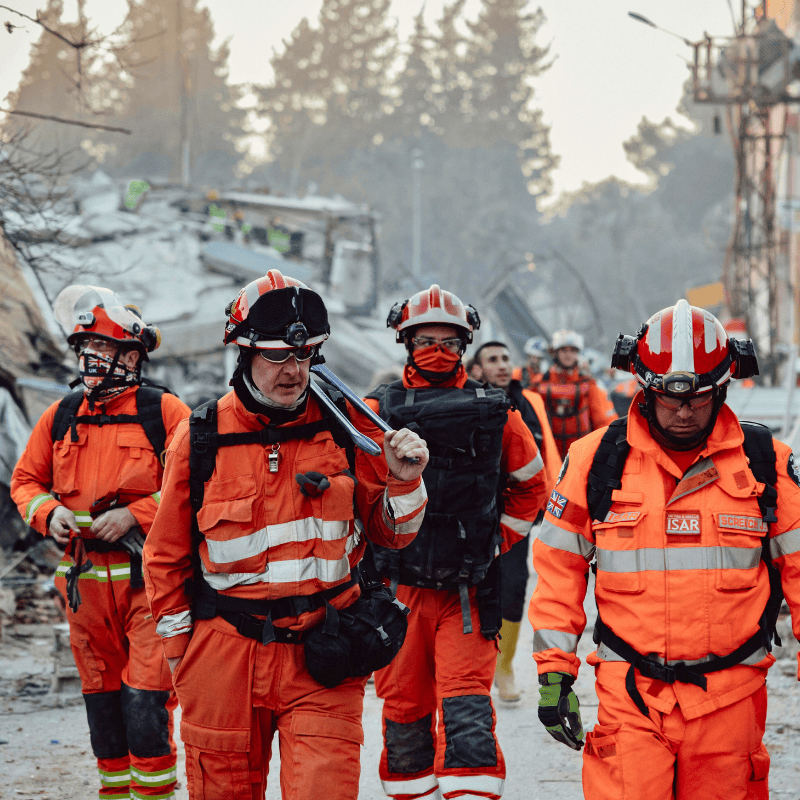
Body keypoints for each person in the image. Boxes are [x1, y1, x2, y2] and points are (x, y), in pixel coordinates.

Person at [142, 269, 429, 800]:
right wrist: (182, 656)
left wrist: (406, 484)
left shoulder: (349, 429)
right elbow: (165, 557)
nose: (292, 371)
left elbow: (392, 537)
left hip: (327, 650)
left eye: (303, 356)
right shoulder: (200, 437)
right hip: (222, 658)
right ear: (244, 354)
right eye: (276, 356)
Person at [528, 299, 800, 799]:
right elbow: (558, 570)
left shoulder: (767, 465)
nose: (683, 411)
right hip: (630, 696)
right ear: (642, 386)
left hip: (732, 699)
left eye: (699, 398)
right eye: (669, 398)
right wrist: (553, 672)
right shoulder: (596, 461)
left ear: (722, 389)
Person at [366, 285, 548, 800]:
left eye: (449, 342)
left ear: (466, 344)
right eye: (425, 339)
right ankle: (411, 791)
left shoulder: (497, 411)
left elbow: (533, 485)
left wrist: (496, 543)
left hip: (467, 593)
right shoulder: (378, 409)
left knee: (467, 706)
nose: (438, 351)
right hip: (398, 589)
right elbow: (353, 488)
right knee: (403, 710)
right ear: (405, 340)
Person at [11, 285, 190, 800]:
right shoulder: (62, 415)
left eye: (104, 350)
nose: (91, 360)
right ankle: (114, 793)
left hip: (148, 587)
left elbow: (199, 489)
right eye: (86, 350)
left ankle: (153, 794)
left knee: (146, 701)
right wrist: (49, 513)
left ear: (132, 357)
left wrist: (135, 514)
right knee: (104, 707)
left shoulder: (166, 413)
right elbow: (25, 482)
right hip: (85, 590)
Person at [471, 340, 561, 704]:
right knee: (473, 590)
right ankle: (476, 663)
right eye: (493, 359)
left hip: (515, 513)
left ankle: (504, 665)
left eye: (507, 357)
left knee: (515, 585)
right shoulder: (465, 400)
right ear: (476, 370)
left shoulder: (530, 402)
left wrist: (554, 503)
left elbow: (547, 451)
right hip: (472, 513)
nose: (503, 364)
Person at [533, 328, 617, 460]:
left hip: (581, 455)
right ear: (555, 352)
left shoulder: (589, 384)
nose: (568, 354)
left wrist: (606, 452)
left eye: (572, 350)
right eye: (563, 350)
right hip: (549, 456)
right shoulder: (539, 384)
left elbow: (604, 421)